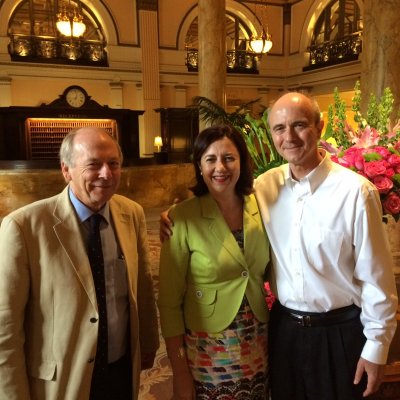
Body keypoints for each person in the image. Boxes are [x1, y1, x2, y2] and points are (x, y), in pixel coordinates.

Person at [160, 93, 398, 400]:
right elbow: (219, 197)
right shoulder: (265, 186)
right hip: (282, 332)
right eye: (279, 128)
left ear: (319, 126)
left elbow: (377, 277)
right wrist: (173, 215)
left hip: (339, 332)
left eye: (299, 125)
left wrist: (377, 348)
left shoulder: (355, 192)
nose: (289, 137)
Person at [0, 127, 159, 400]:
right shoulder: (24, 227)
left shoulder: (132, 213)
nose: (106, 174)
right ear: (66, 170)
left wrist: (148, 342)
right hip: (63, 379)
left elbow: (142, 284)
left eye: (113, 164)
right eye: (94, 165)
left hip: (121, 367)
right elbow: (6, 326)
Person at [157, 125, 270, 399]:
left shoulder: (263, 207)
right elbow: (169, 302)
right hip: (208, 347)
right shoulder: (181, 218)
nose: (221, 167)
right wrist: (179, 370)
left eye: (229, 158)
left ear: (242, 161)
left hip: (257, 339)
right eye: (210, 159)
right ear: (199, 165)